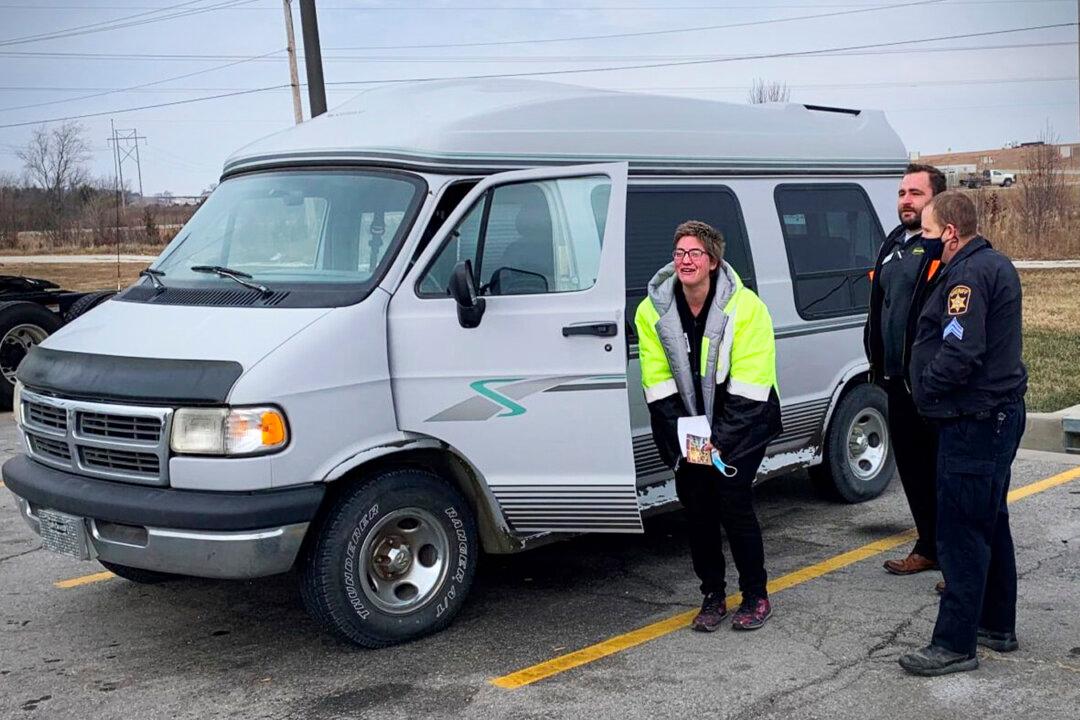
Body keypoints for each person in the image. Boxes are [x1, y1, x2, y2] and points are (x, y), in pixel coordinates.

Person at [898, 190, 1027, 676]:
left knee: (960, 534)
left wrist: (925, 390)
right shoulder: (989, 264)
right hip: (991, 416)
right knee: (989, 521)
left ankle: (954, 644)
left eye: (929, 233)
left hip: (974, 420)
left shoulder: (969, 274)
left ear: (950, 232)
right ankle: (996, 624)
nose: (924, 241)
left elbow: (960, 350)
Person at [635, 220, 782, 632]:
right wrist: (689, 444)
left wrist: (719, 443)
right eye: (679, 253)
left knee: (733, 503)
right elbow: (659, 387)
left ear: (713, 262)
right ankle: (713, 596)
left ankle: (756, 595)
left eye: (695, 253)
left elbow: (751, 387)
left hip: (743, 423)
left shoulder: (746, 307)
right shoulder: (652, 310)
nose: (685, 260)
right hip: (691, 429)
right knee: (698, 507)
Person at [865, 163, 946, 579]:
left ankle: (954, 556)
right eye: (901, 193)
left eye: (915, 193)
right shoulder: (895, 241)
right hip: (895, 380)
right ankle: (928, 545)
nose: (906, 201)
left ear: (937, 199)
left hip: (930, 385)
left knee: (942, 471)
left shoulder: (943, 248)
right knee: (912, 468)